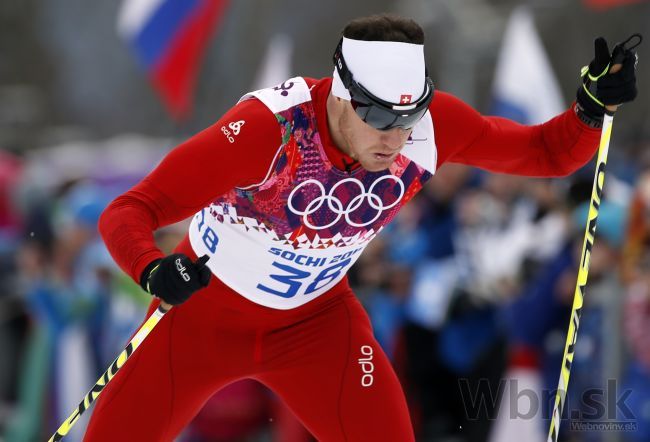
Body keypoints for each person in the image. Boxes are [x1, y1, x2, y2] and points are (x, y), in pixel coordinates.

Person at [83, 14, 639, 441]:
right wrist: (152, 268)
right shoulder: (267, 130)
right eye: (377, 117)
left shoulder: (433, 128)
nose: (395, 138)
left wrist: (588, 112)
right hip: (199, 320)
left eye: (408, 116)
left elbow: (544, 152)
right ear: (342, 92)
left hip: (317, 328)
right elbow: (130, 209)